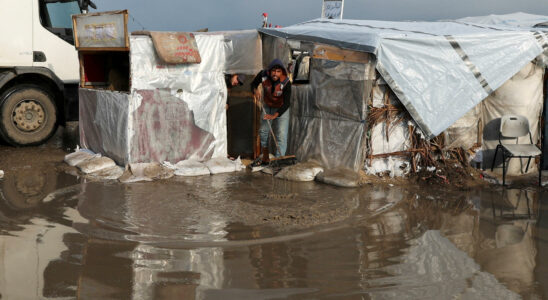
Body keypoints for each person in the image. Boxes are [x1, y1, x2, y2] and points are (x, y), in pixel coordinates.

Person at [250, 59, 292, 163]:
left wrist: (274, 115)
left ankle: (278, 161)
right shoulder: (263, 75)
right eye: (273, 71)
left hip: (281, 108)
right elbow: (253, 84)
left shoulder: (286, 83)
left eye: (278, 71)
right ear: (270, 71)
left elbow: (287, 103)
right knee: (263, 131)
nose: (275, 74)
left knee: (281, 135)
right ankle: (265, 156)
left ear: (282, 72)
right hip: (268, 105)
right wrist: (255, 90)